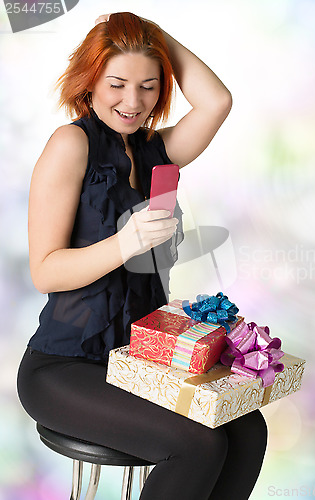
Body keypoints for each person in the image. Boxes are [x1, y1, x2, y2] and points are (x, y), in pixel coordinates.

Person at [17, 12, 267, 500]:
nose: (133, 102)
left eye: (149, 86)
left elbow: (218, 101)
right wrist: (123, 244)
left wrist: (149, 34)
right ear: (90, 79)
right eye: (117, 84)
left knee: (246, 429)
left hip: (137, 360)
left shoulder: (157, 150)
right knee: (196, 445)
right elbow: (44, 270)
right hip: (66, 365)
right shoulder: (72, 144)